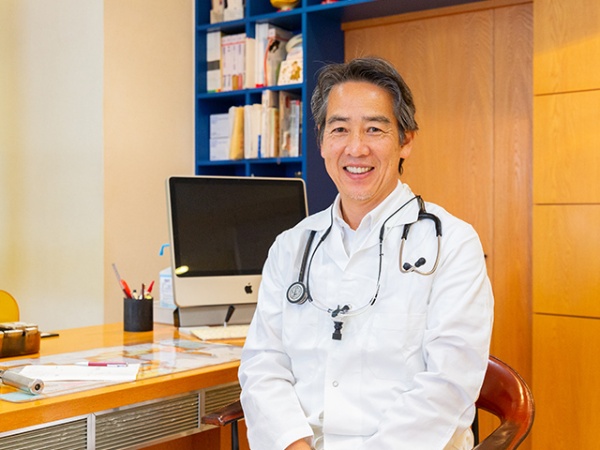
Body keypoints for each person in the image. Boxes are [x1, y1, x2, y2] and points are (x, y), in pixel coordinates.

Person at [238, 56, 494, 450]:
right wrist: (292, 444)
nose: (356, 148)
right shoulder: (291, 246)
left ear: (406, 141)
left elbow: (449, 383)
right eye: (340, 129)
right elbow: (263, 365)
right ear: (322, 142)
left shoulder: (453, 244)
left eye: (374, 129)